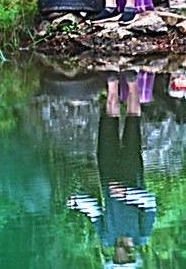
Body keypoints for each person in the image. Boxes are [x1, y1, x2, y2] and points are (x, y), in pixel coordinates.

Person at [67, 70, 156, 266]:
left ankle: (112, 86)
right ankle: (132, 84)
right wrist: (127, 193)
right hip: (131, 172)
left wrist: (76, 202)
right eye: (122, 260)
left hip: (108, 173)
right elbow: (150, 203)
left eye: (117, 260)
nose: (119, 257)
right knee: (133, 120)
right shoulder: (142, 235)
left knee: (108, 123)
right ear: (128, 257)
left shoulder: (107, 237)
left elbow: (94, 211)